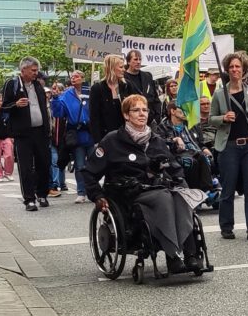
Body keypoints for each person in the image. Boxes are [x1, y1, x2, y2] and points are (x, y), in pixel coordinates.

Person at [82, 94, 203, 274]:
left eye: (144, 110)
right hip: (128, 192)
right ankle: (173, 255)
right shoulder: (113, 140)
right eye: (136, 110)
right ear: (126, 115)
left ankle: (191, 253)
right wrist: (97, 196)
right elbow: (89, 172)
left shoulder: (156, 140)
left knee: (180, 196)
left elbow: (174, 167)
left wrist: (180, 182)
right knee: (164, 198)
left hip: (157, 187)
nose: (142, 114)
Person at [210, 51, 248, 240]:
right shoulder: (219, 94)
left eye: (238, 67)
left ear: (243, 70)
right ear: (227, 70)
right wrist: (223, 118)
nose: (235, 70)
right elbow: (210, 120)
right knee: (228, 189)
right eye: (231, 67)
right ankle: (226, 226)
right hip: (228, 147)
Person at [1, 58, 52, 211]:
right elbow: (3, 107)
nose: (36, 73)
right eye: (33, 71)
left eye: (37, 71)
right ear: (23, 70)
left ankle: (42, 194)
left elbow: (44, 107)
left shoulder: (38, 85)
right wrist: (15, 105)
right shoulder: (12, 84)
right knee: (26, 167)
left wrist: (48, 128)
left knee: (44, 163)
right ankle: (29, 199)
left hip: (40, 131)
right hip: (23, 133)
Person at [50, 71, 92, 203]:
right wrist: (55, 98)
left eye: (77, 77)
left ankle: (93, 190)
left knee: (95, 164)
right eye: (72, 77)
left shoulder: (90, 91)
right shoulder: (67, 94)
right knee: (80, 165)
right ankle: (81, 192)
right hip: (76, 134)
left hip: (91, 133)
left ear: (83, 79)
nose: (73, 78)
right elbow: (58, 113)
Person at [89, 55, 129, 144]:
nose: (124, 70)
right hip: (106, 138)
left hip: (125, 135)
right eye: (121, 67)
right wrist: (97, 141)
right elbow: (94, 117)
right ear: (111, 68)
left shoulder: (126, 86)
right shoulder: (97, 88)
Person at [124, 50, 162, 124]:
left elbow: (155, 98)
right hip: (132, 121)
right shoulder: (123, 78)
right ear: (128, 62)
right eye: (135, 59)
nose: (138, 62)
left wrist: (156, 116)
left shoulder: (147, 76)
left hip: (150, 120)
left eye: (140, 59)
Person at [47, 81, 66, 197]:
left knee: (62, 161)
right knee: (54, 161)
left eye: (57, 89)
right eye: (53, 88)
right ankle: (55, 183)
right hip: (53, 138)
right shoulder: (50, 104)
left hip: (63, 138)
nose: (55, 91)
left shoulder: (64, 103)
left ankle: (62, 183)